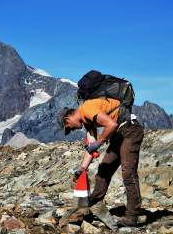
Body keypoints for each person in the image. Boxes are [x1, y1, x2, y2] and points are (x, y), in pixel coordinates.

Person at [57, 97, 144, 227]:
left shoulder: (87, 109)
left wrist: (99, 142)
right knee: (103, 170)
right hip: (118, 135)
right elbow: (91, 147)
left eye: (69, 127)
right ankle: (92, 205)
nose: (73, 130)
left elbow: (111, 125)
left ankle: (132, 216)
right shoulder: (87, 121)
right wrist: (82, 168)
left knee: (128, 173)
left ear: (68, 119)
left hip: (130, 130)